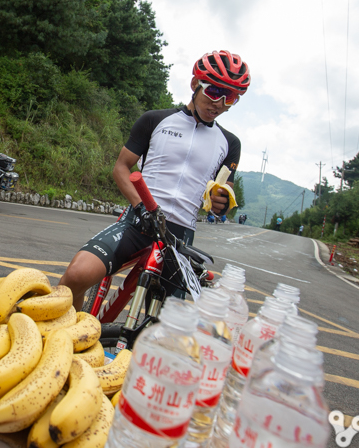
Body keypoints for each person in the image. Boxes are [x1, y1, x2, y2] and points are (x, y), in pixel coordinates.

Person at [58, 50, 249, 309]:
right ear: (195, 84)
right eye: (215, 92)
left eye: (231, 98)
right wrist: (141, 208)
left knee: (163, 326)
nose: (220, 104)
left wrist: (222, 203)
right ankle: (69, 337)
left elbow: (224, 193)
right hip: (140, 219)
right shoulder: (155, 120)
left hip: (179, 236)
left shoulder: (230, 143)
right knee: (76, 276)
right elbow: (121, 168)